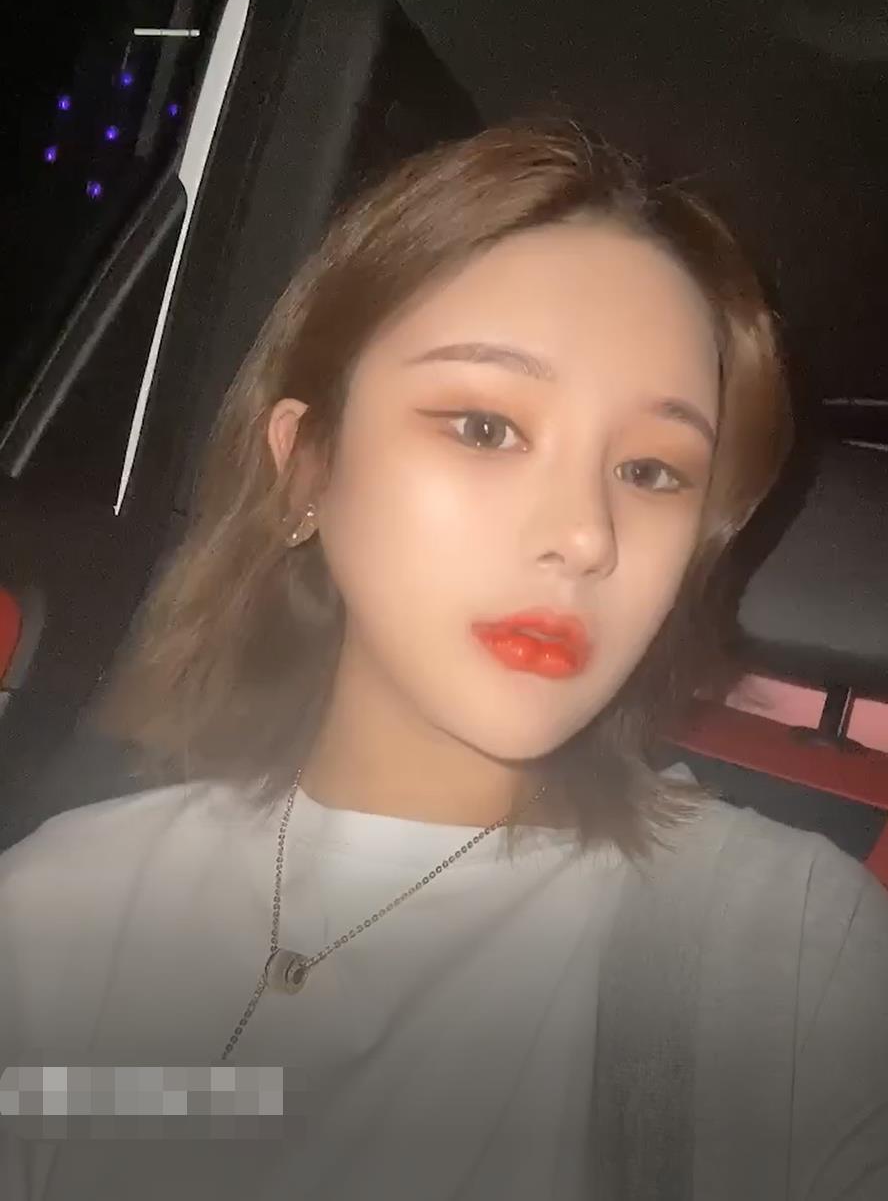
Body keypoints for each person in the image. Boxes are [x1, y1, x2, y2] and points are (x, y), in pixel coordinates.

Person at [0, 122, 886, 1201]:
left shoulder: (789, 955)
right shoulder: (58, 910)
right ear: (305, 468)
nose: (585, 536)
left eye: (653, 471)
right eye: (484, 427)